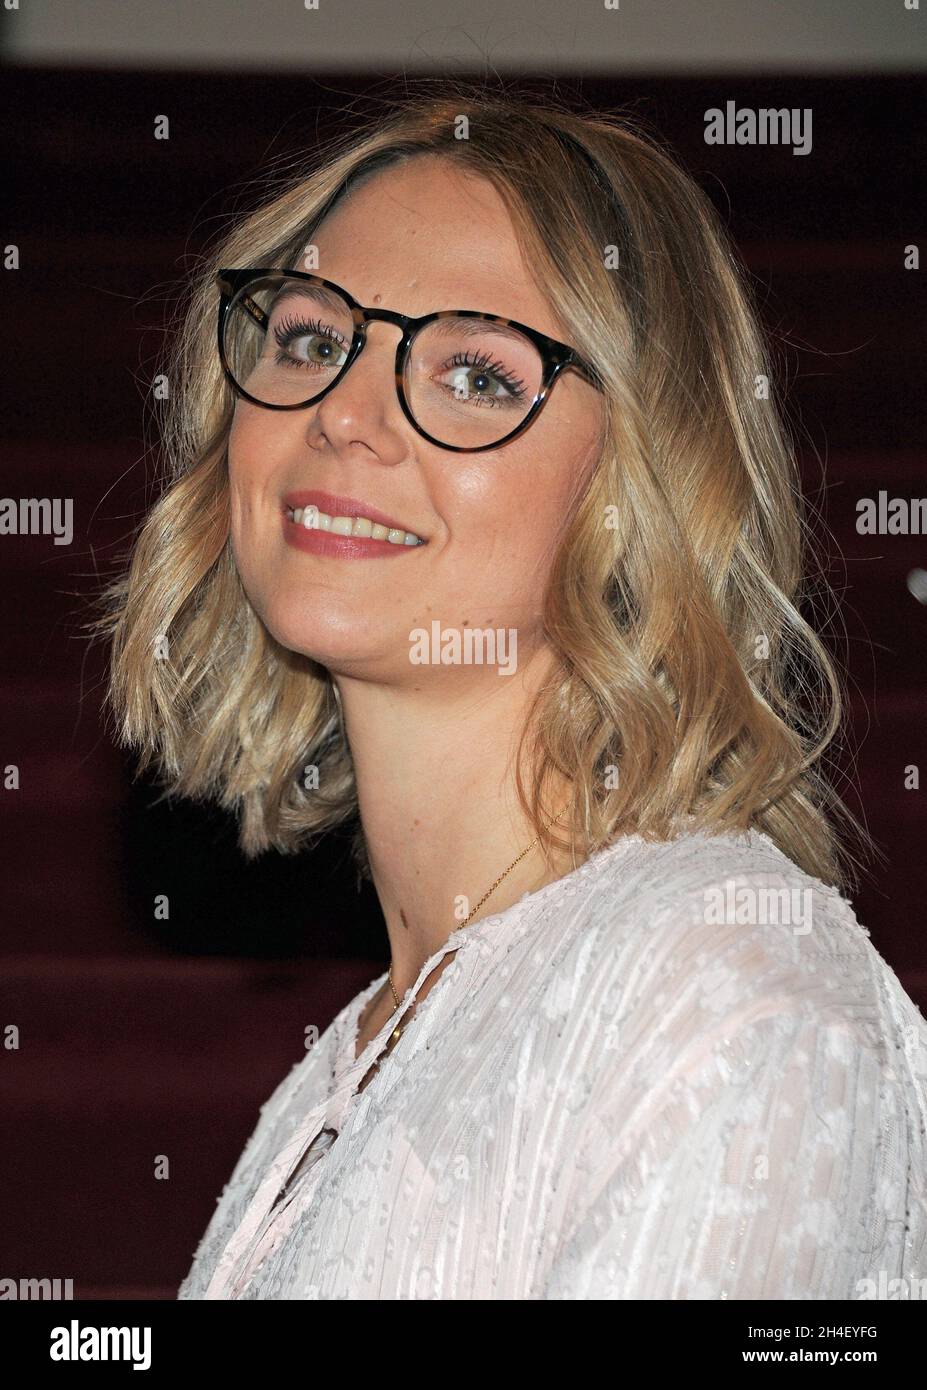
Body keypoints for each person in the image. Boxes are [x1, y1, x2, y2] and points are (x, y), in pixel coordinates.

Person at [94, 81, 927, 1299]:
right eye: (315, 338)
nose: (344, 415)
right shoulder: (366, 1052)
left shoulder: (726, 993)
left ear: (639, 482)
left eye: (476, 374)